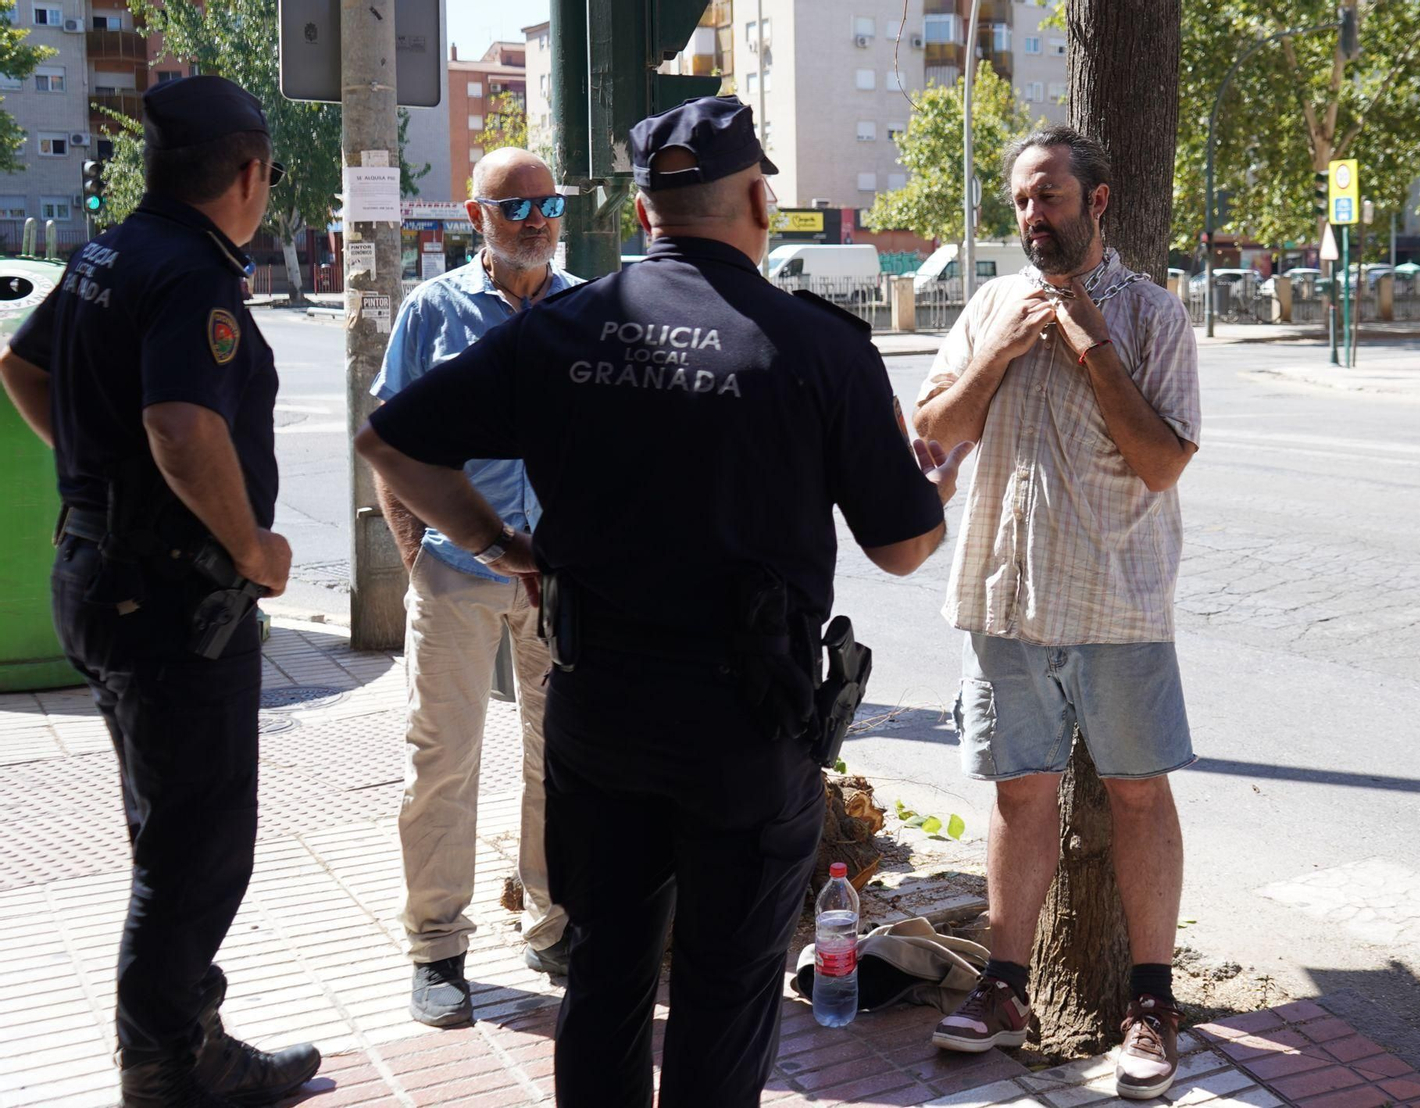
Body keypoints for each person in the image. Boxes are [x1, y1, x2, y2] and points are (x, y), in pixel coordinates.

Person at [355, 95, 968, 1107]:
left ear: (641, 214)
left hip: (599, 711)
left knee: (603, 980)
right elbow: (902, 546)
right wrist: (933, 488)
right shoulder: (818, 346)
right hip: (744, 724)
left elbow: (392, 442)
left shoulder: (564, 327)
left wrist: (496, 543)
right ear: (760, 201)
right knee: (726, 995)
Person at [0, 75, 320, 1106]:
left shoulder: (107, 251)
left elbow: (21, 366)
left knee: (166, 830)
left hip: (99, 576)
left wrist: (107, 485)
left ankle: (191, 1035)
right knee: (196, 855)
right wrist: (254, 546)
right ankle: (166, 1068)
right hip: (175, 602)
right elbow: (182, 427)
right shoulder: (194, 274)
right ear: (249, 173)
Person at [914, 124, 1201, 1101]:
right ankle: (1005, 987)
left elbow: (1163, 464)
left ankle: (1149, 1002)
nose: (1033, 216)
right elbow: (932, 433)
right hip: (1003, 594)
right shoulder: (990, 304)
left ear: (1098, 200)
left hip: (1118, 600)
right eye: (1023, 201)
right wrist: (993, 353)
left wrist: (1091, 351)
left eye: (1049, 197)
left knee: (1136, 793)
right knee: (1018, 793)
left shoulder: (1155, 315)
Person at [371, 147, 581, 1028]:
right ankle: (437, 948)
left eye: (547, 202)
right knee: (444, 761)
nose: (535, 219)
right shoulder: (433, 310)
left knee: (561, 761)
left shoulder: (585, 307)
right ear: (475, 217)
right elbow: (390, 433)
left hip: (559, 581)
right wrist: (415, 548)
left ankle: (553, 924)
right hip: (457, 576)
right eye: (515, 206)